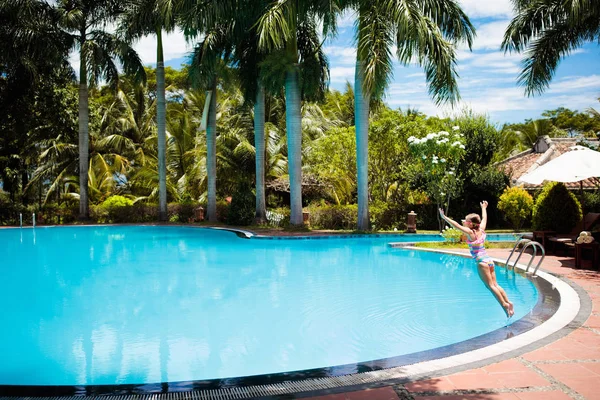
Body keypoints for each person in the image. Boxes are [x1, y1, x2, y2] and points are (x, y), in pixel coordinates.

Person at [439, 201, 514, 317]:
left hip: (481, 262)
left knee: (490, 286)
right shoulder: (482, 229)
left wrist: (444, 217)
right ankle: (509, 302)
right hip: (489, 260)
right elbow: (484, 218)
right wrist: (484, 207)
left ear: (470, 223)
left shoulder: (471, 232)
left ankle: (504, 305)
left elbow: (456, 226)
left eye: (465, 220)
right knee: (496, 284)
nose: (464, 222)